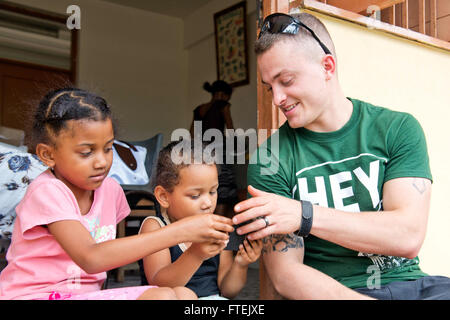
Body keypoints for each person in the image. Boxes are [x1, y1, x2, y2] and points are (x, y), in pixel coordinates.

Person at [231, 12, 450, 300]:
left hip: (412, 286)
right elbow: (286, 276)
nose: (277, 99)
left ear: (327, 66)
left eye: (286, 80)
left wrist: (303, 215)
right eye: (270, 87)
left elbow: (408, 236)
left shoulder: (397, 129)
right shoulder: (269, 160)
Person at [0, 88, 234, 300]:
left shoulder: (109, 190)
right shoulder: (47, 190)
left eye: (108, 148)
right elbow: (91, 258)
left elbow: (121, 251)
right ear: (48, 155)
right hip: (34, 296)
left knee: (183, 295)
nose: (102, 161)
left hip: (86, 295)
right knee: (162, 298)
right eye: (86, 152)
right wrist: (179, 231)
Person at [139, 139, 262, 299]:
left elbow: (227, 291)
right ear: (164, 196)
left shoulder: (216, 229)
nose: (207, 203)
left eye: (213, 192)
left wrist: (241, 264)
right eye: (195, 195)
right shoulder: (156, 227)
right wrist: (195, 254)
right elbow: (160, 285)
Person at [190, 81, 238, 219]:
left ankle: (206, 221)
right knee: (224, 185)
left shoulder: (199, 109)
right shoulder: (223, 106)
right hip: (219, 149)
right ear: (223, 95)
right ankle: (220, 224)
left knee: (207, 184)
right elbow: (230, 128)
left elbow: (192, 133)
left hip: (201, 150)